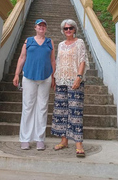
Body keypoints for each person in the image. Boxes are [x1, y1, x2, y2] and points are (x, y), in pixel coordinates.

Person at [13, 19, 55, 150]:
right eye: (39, 25)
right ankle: (25, 139)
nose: (42, 27)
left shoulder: (50, 42)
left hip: (46, 76)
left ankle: (39, 139)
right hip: (29, 76)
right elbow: (22, 57)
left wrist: (53, 77)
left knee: (42, 108)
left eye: (44, 26)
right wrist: (16, 74)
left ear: (46, 28)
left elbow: (53, 60)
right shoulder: (28, 41)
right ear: (35, 27)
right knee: (28, 107)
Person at [51, 19, 90, 158]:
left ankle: (78, 143)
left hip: (75, 81)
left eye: (70, 28)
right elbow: (59, 61)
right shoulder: (61, 44)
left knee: (75, 111)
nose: (68, 30)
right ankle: (64, 141)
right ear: (63, 30)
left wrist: (79, 77)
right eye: (66, 28)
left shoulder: (79, 42)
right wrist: (55, 78)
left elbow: (82, 60)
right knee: (61, 111)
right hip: (61, 80)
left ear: (75, 29)